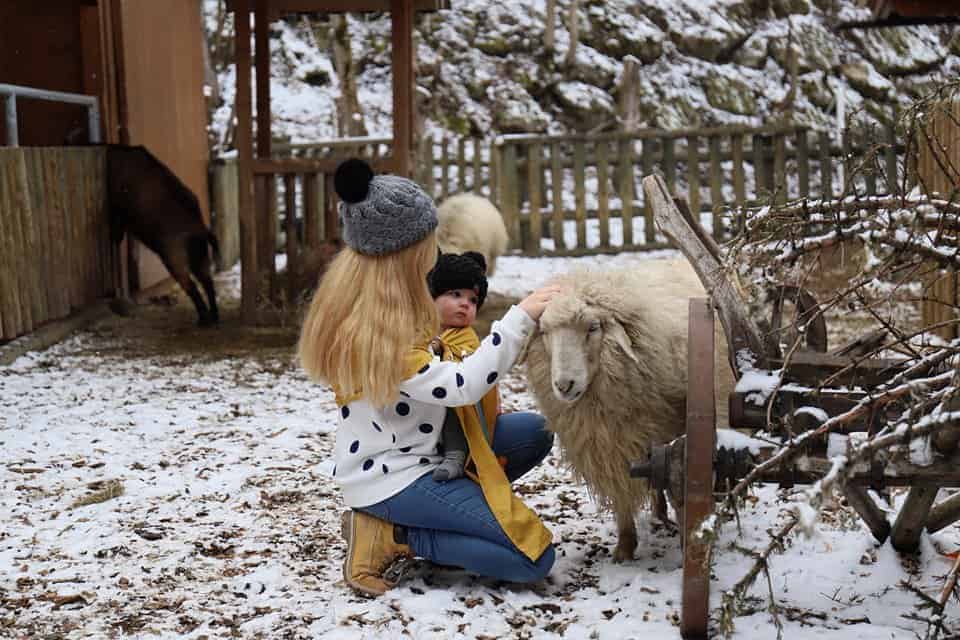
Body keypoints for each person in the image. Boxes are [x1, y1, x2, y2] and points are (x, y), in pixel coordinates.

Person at [298, 158, 561, 597]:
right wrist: (520, 318)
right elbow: (460, 385)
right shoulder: (375, 331)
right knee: (531, 558)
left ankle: (457, 508)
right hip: (396, 476)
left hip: (431, 447)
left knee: (533, 432)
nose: (433, 248)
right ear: (401, 253)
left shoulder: (397, 302)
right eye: (426, 240)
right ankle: (397, 535)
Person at [425, 250, 491, 482]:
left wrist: (439, 351)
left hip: (454, 403)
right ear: (432, 296)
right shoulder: (419, 330)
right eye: (455, 294)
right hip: (421, 410)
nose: (465, 304)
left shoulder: (466, 337)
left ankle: (456, 454)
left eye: (473, 300)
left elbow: (469, 372)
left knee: (455, 403)